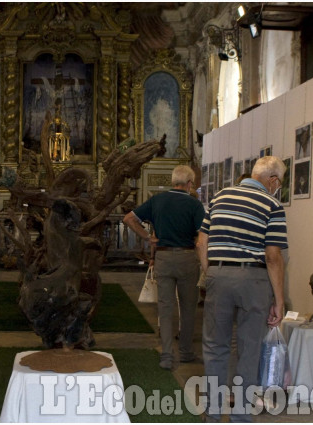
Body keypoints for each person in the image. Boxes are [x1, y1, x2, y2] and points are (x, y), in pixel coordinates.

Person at [196, 156, 287, 422]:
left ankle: (212, 414)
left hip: (219, 274)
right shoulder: (272, 204)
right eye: (279, 182)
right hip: (254, 279)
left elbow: (202, 243)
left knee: (214, 348)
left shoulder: (220, 197)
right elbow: (273, 256)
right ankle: (241, 417)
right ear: (272, 180)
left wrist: (211, 271)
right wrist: (279, 300)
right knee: (249, 350)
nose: (277, 187)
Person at [123, 165, 205, 370]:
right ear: (188, 184)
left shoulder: (157, 200)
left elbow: (129, 218)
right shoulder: (194, 204)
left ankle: (167, 355)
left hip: (163, 257)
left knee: (165, 308)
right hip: (187, 258)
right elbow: (201, 236)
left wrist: (148, 238)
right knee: (188, 308)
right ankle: (185, 351)